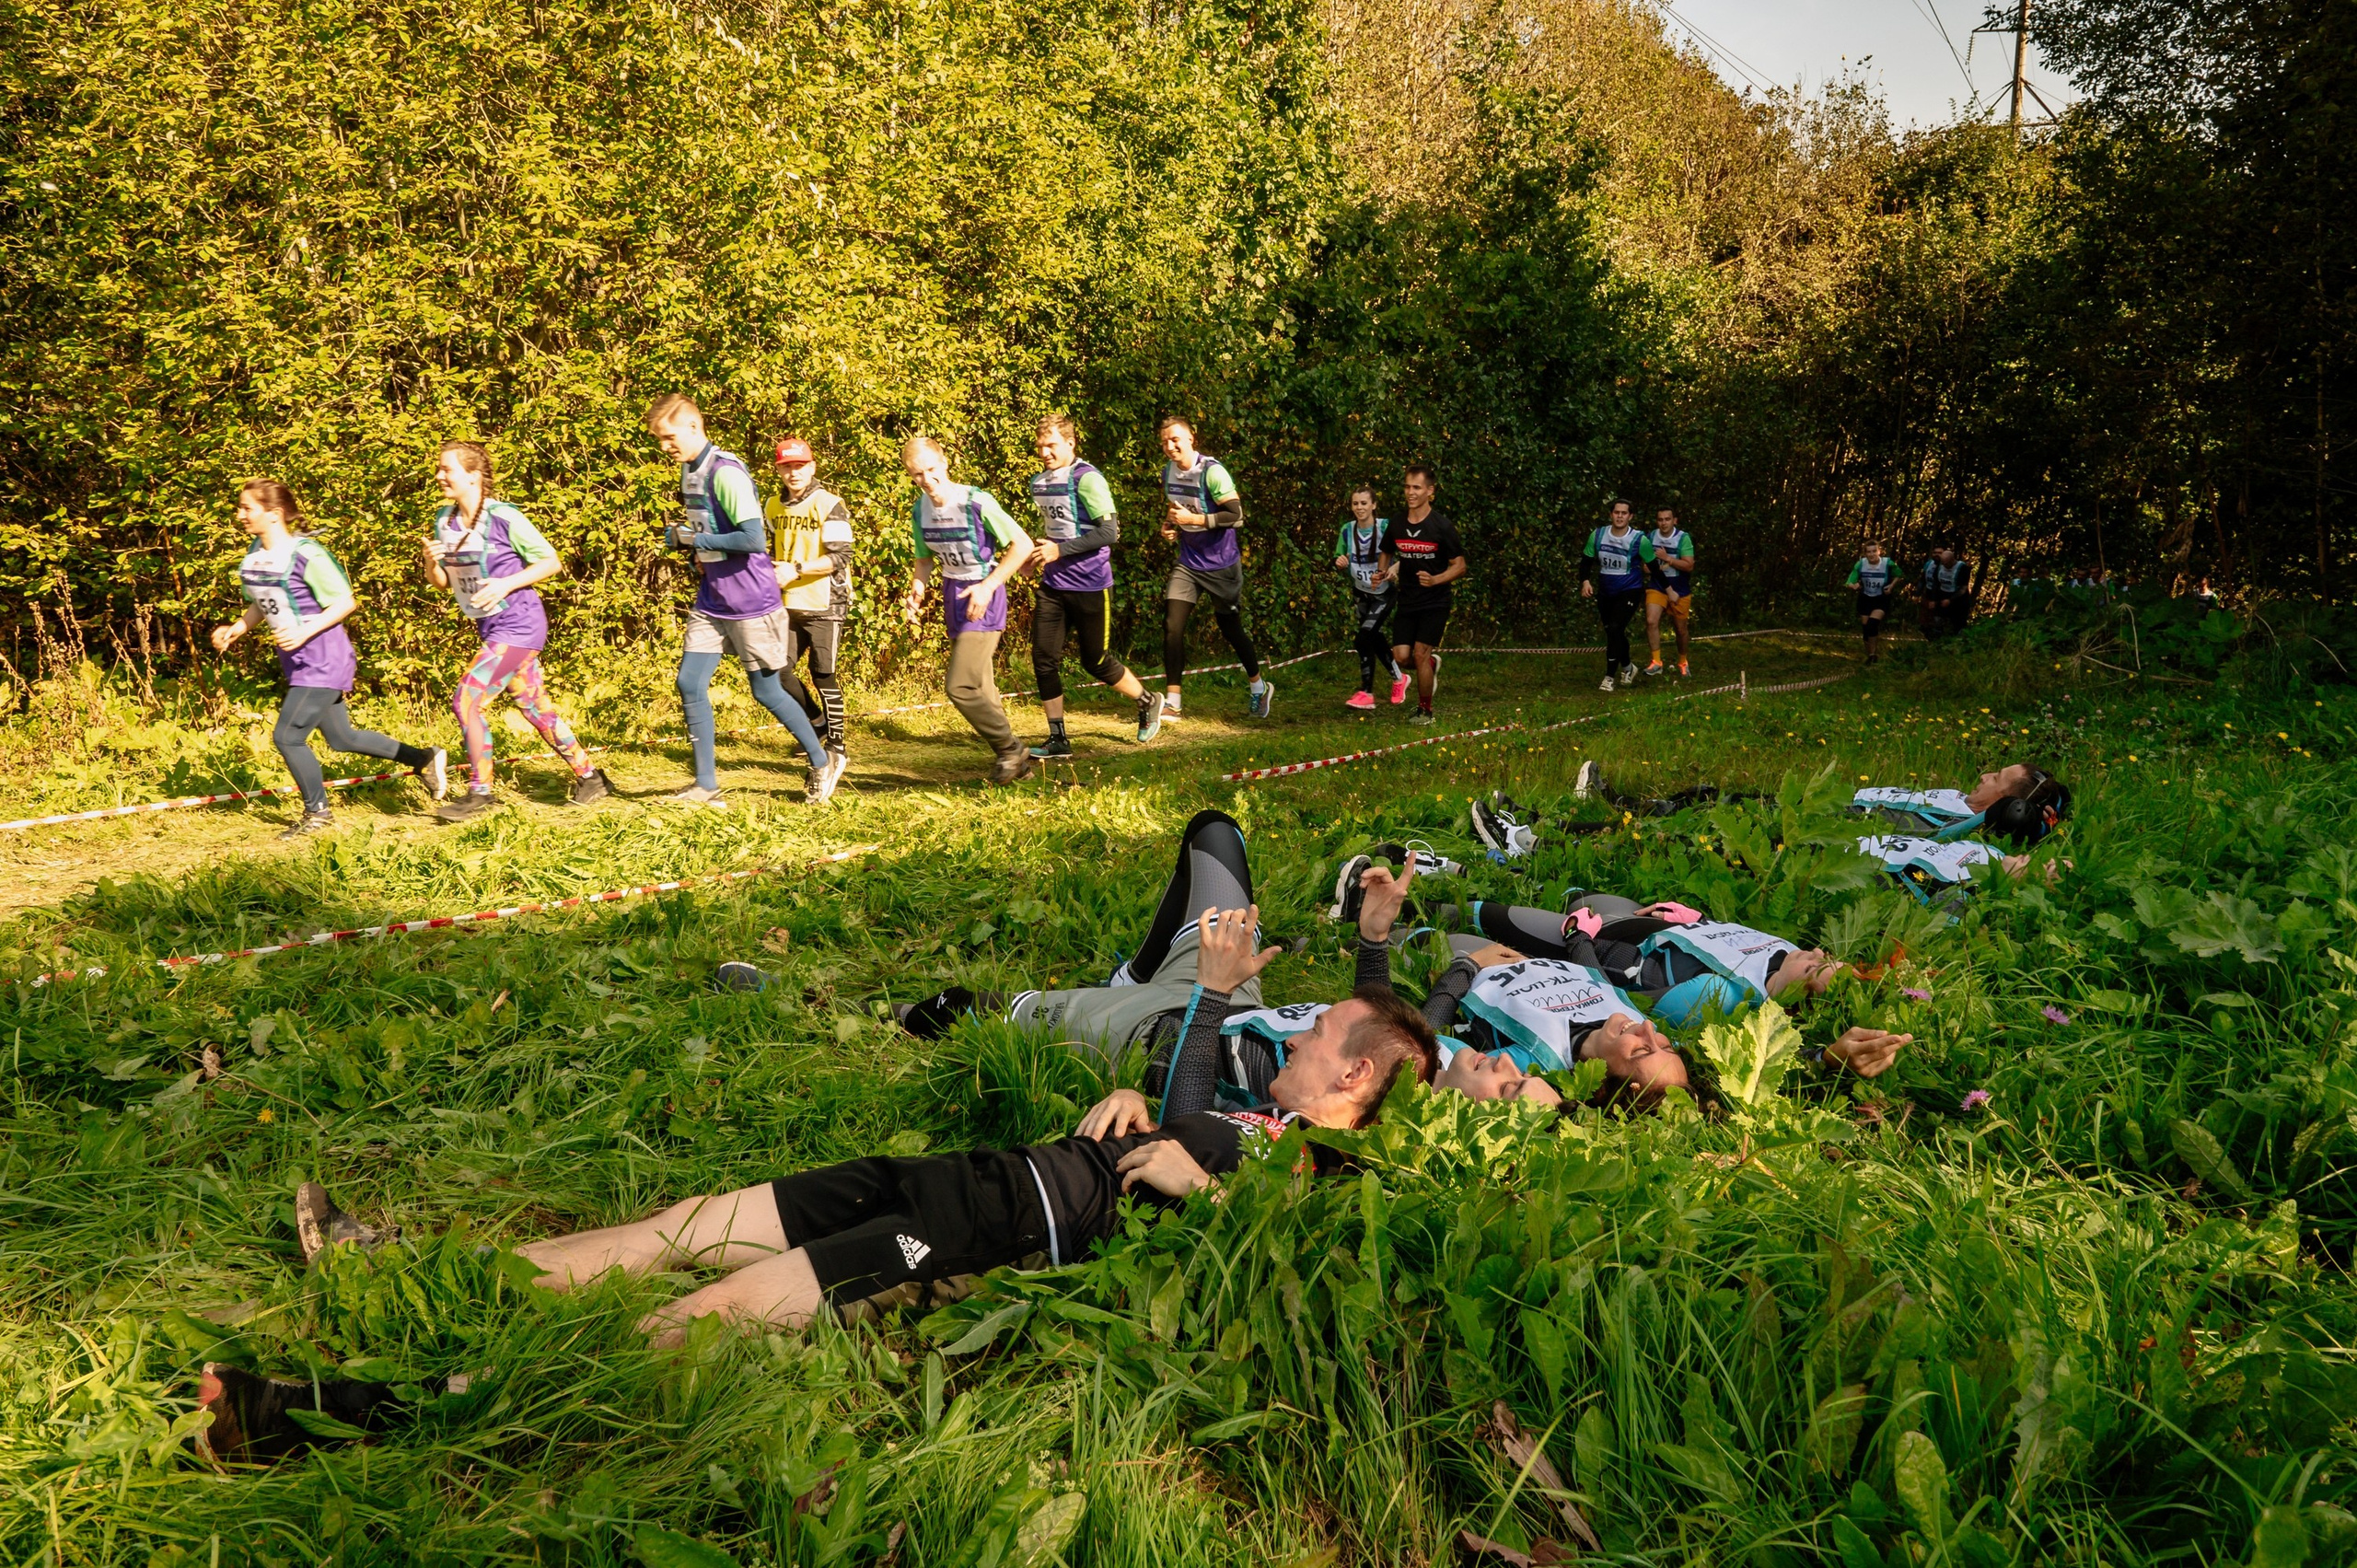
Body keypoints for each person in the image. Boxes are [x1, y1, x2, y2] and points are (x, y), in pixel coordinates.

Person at [192, 922, 1434, 1464]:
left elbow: (1270, 1260)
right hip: (959, 1174)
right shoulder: (1254, 1107)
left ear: (1361, 1074)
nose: (1307, 1031)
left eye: (1327, 1029)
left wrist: (1189, 1182)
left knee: (694, 1316)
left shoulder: (1323, 1166)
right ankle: (391, 1262)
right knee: (677, 1230)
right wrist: (1163, 1095)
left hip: (989, 1227)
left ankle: (336, 1411)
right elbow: (1193, 1083)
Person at [211, 479, 447, 839]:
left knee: (287, 737)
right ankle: (423, 758)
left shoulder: (307, 553)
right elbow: (263, 601)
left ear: (274, 514)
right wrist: (239, 627)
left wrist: (304, 631)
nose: (239, 514)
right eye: (240, 507)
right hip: (296, 660)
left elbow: (345, 602)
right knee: (342, 737)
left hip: (324, 657)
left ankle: (317, 813)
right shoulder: (257, 550)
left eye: (247, 508)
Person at [645, 394, 834, 809]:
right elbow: (712, 531)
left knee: (765, 692)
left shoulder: (725, 473)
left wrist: (696, 539)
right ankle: (705, 786)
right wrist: (695, 550)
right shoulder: (688, 471)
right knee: (689, 683)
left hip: (752, 598)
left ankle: (823, 760)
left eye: (669, 437)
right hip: (713, 597)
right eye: (659, 440)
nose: (664, 447)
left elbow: (753, 539)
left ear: (694, 427)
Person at [419, 441, 610, 822]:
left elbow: (550, 562)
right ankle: (592, 777)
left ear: (473, 476)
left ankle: (480, 791)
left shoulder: (504, 517)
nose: (439, 476)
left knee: (467, 700)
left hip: (520, 623)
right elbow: (442, 583)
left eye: (447, 469)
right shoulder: (445, 519)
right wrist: (430, 563)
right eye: (439, 470)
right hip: (490, 627)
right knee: (535, 708)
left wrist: (505, 584)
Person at [899, 435, 1039, 784]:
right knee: (981, 684)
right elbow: (924, 558)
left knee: (960, 686)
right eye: (917, 475)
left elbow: (1022, 544)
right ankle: (1019, 769)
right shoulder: (920, 509)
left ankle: (1010, 749)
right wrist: (918, 587)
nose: (927, 480)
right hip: (952, 593)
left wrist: (989, 586)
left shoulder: (976, 501)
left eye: (931, 470)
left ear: (945, 463)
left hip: (984, 592)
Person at [1022, 413, 1161, 758]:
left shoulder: (1088, 479)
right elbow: (1056, 529)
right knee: (1043, 658)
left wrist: (1059, 550)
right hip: (1053, 584)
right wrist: (1032, 556)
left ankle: (1147, 700)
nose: (1045, 452)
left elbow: (1108, 533)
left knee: (1095, 660)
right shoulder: (1038, 483)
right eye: (1040, 446)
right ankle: (1058, 739)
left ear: (1070, 443)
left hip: (1090, 584)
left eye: (1052, 445)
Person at [1157, 416, 1270, 721]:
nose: (1170, 446)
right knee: (1172, 625)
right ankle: (1173, 702)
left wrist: (1196, 522)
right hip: (1189, 563)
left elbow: (1236, 516)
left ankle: (1259, 685)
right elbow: (1178, 509)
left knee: (1230, 630)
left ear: (1192, 438)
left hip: (1222, 565)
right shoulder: (1169, 471)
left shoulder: (1212, 472)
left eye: (1176, 440)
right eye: (1165, 441)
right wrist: (1170, 526)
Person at [765, 436, 854, 793]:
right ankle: (818, 729)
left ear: (812, 467)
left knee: (823, 674)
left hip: (826, 603)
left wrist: (797, 569)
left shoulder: (830, 503)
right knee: (778, 672)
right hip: (787, 603)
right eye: (787, 466)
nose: (793, 472)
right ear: (778, 470)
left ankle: (838, 746)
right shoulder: (772, 506)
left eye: (799, 465)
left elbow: (840, 557)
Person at [1380, 463, 1467, 726]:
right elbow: (1387, 550)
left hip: (1435, 601)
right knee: (1401, 657)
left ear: (1430, 491)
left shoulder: (1441, 527)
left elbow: (1460, 566)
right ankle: (1429, 666)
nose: (1410, 492)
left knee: (1419, 654)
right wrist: (1381, 572)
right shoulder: (1397, 522)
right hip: (1407, 599)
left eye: (1416, 487)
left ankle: (1425, 711)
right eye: (1407, 486)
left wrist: (1435, 579)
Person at [1335, 486, 1409, 710]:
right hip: (1361, 593)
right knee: (1374, 638)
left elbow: (1409, 553)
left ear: (1374, 505)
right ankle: (1399, 679)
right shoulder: (1347, 530)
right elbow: (1338, 557)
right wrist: (1340, 562)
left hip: (1384, 593)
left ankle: (1366, 693)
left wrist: (1395, 567)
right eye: (1355, 504)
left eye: (1364, 503)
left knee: (1363, 637)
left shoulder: (1386, 527)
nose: (1360, 508)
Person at [1580, 500, 1645, 691]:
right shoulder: (1598, 534)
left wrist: (1668, 589)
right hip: (1606, 591)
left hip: (1630, 589)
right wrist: (1585, 581)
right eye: (1616, 512)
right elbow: (1585, 562)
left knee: (1616, 628)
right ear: (1611, 515)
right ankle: (1628, 667)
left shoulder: (1639, 539)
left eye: (1624, 513)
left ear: (1630, 516)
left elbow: (1654, 566)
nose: (1619, 516)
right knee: (1613, 632)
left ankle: (1609, 677)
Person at [1639, 505, 1695, 678]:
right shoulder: (1650, 537)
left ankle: (1683, 662)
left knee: (1680, 629)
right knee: (1651, 621)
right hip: (1657, 586)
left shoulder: (1683, 538)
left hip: (1680, 588)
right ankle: (1656, 662)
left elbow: (1689, 565)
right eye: (1660, 519)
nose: (1664, 523)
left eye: (1667, 519)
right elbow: (1644, 564)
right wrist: (1648, 568)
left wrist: (1668, 559)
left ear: (1674, 521)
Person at [1847, 542, 1896, 664]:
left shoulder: (1887, 563)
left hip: (1880, 598)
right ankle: (1869, 655)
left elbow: (1899, 574)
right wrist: (1854, 586)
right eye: (1869, 552)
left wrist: (1891, 587)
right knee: (1866, 629)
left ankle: (1873, 655)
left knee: (1872, 625)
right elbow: (1850, 581)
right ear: (1865, 554)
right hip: (1865, 598)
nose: (1872, 554)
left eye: (1874, 551)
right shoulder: (1861, 564)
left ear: (1879, 551)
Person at [1919, 547, 1971, 640]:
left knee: (1958, 623)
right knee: (1937, 619)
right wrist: (1933, 600)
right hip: (1942, 594)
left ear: (1952, 560)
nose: (1944, 566)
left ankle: (1958, 640)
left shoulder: (1962, 568)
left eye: (1946, 564)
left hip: (1958, 598)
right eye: (1942, 563)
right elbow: (1936, 583)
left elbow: (1963, 588)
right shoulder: (1940, 566)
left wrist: (1950, 600)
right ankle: (1935, 640)